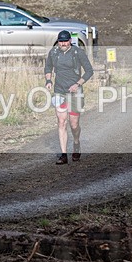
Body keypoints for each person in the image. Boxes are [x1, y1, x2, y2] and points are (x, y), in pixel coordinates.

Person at [44, 30, 94, 164]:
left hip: (75, 92)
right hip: (59, 91)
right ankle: (64, 154)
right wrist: (48, 81)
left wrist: (78, 84)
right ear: (58, 41)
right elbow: (48, 68)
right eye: (61, 41)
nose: (63, 44)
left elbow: (89, 71)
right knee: (61, 122)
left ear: (70, 41)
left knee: (74, 124)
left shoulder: (78, 53)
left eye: (65, 41)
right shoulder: (53, 53)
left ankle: (76, 143)